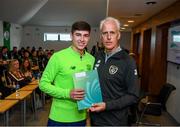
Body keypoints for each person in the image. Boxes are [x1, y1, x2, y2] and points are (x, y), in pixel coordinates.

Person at [39, 21, 95, 126]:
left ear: (89, 37)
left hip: (81, 117)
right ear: (71, 36)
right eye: (78, 35)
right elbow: (43, 84)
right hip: (60, 118)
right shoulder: (58, 57)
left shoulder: (91, 59)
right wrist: (67, 93)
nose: (82, 39)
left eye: (85, 35)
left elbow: (89, 87)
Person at [89, 17, 140, 126]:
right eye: (105, 33)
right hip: (96, 119)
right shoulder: (98, 56)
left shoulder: (128, 61)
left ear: (118, 35)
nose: (108, 37)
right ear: (101, 36)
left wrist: (107, 106)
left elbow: (133, 96)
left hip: (115, 121)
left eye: (112, 32)